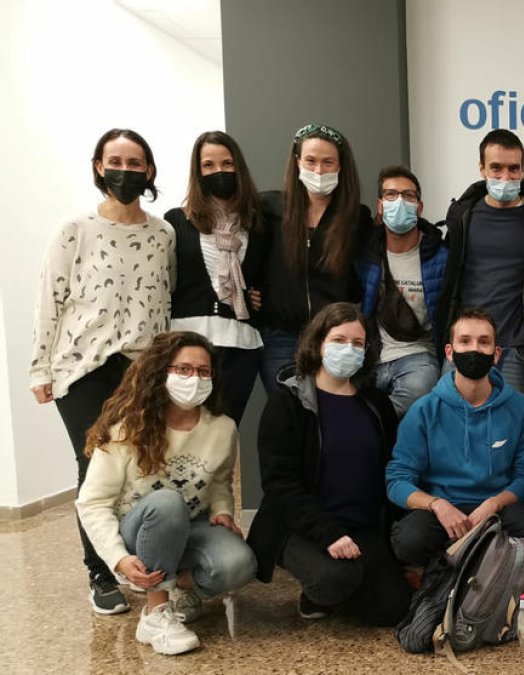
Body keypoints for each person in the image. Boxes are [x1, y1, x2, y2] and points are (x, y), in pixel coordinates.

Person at [30, 128, 175, 615]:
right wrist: (40, 368)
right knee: (94, 465)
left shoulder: (163, 234)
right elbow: (49, 299)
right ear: (98, 167)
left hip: (142, 368)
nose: (125, 171)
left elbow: (165, 300)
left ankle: (139, 562)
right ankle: (101, 571)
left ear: (149, 171)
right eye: (116, 162)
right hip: (83, 368)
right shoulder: (75, 229)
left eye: (135, 163)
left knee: (141, 466)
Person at [76, 331, 255, 655]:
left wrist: (223, 511)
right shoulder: (125, 428)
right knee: (167, 503)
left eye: (203, 371)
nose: (194, 378)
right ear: (160, 372)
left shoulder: (223, 427)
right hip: (138, 531)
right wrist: (118, 558)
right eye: (183, 369)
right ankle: (156, 613)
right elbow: (93, 503)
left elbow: (219, 481)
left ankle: (176, 586)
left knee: (238, 564)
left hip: (191, 526)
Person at [247, 302, 411, 625]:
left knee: (392, 608)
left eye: (358, 343)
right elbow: (281, 484)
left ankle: (351, 586)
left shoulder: (376, 404)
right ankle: (317, 592)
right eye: (339, 340)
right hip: (300, 526)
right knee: (335, 579)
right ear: (318, 344)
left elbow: (389, 470)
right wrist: (329, 534)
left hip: (361, 526)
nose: (348, 349)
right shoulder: (288, 403)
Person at [387, 307, 524, 567]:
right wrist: (437, 504)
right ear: (449, 352)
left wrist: (495, 503)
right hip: (442, 510)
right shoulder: (423, 411)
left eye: (484, 342)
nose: (474, 349)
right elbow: (397, 480)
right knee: (409, 541)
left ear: (496, 354)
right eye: (465, 341)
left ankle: (474, 563)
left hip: (497, 508)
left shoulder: (521, 408)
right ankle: (454, 569)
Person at [258, 123, 374, 394]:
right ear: (297, 161)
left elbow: (364, 277)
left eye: (327, 162)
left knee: (330, 407)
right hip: (281, 336)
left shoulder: (357, 218)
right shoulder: (269, 208)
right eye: (310, 161)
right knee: (289, 407)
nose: (319, 170)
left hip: (335, 337)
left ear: (340, 165)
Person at [433, 130, 524, 396]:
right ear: (481, 168)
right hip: (465, 345)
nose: (505, 177)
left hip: (516, 349)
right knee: (450, 417)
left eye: (513, 168)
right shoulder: (463, 215)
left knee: (511, 421)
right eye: (496, 168)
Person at [167, 130, 267, 423]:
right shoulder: (177, 220)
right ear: (198, 172)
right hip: (186, 344)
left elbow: (266, 278)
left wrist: (255, 296)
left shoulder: (256, 224)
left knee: (225, 431)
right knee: (181, 430)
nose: (218, 171)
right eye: (208, 165)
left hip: (241, 345)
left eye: (227, 163)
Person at [362, 165, 447, 418]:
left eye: (408, 195)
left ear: (419, 207)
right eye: (391, 194)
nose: (399, 201)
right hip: (371, 357)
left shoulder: (441, 256)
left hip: (419, 356)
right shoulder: (365, 254)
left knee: (403, 408)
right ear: (380, 206)